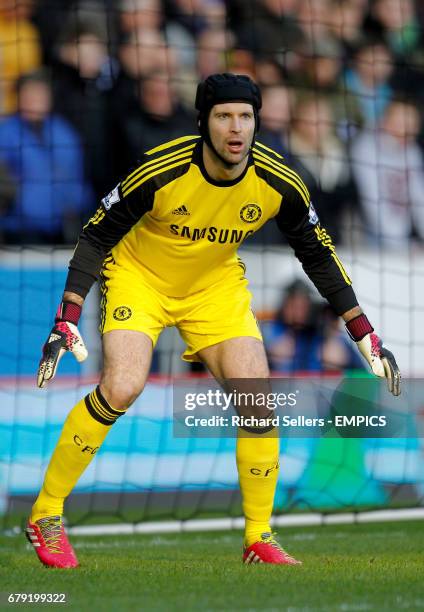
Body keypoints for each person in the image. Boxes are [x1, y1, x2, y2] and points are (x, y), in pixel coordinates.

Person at [26, 73, 400, 569]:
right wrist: (68, 313)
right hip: (140, 277)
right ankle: (46, 514)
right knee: (123, 384)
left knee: (257, 399)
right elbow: (95, 236)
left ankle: (259, 536)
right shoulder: (160, 170)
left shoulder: (279, 181)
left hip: (214, 286)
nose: (236, 127)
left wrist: (363, 331)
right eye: (224, 116)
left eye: (245, 116)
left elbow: (318, 254)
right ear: (204, 122)